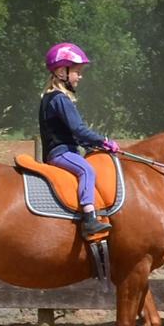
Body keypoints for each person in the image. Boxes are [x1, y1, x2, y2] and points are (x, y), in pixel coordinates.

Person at [38, 42, 120, 272]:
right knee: (86, 170)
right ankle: (89, 218)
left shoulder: (50, 97)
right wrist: (104, 141)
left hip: (62, 149)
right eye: (77, 72)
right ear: (61, 71)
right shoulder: (59, 99)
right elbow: (79, 130)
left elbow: (74, 133)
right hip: (60, 152)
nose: (79, 77)